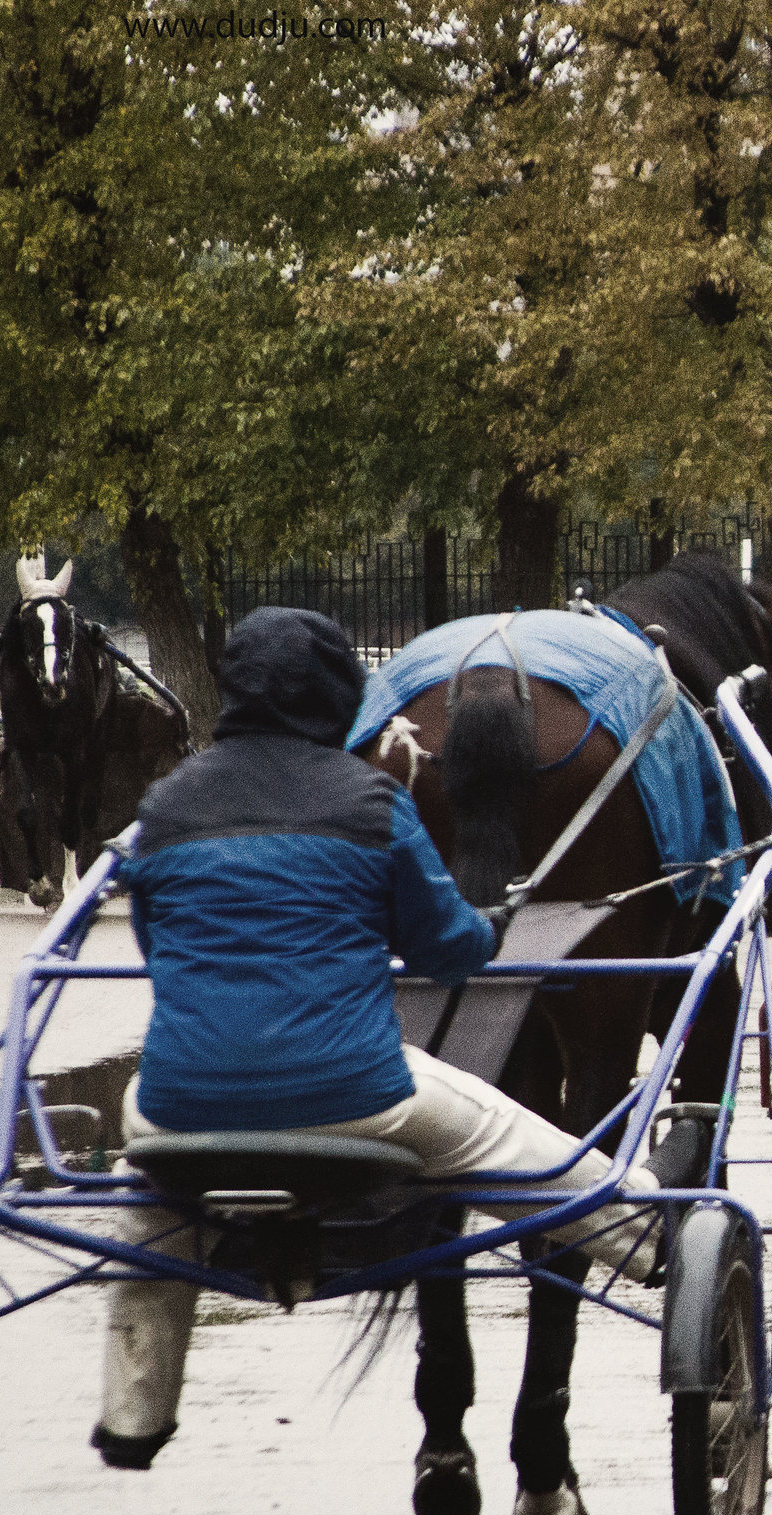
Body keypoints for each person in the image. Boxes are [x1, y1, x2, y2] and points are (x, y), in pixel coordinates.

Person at [94, 608, 676, 1471]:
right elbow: (452, 951)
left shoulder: (161, 810)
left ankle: (133, 1415)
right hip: (359, 1099)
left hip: (179, 1104)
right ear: (337, 701)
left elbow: (159, 945)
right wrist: (491, 920)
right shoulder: (374, 802)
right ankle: (652, 1237)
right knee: (523, 1140)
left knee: (143, 1186)